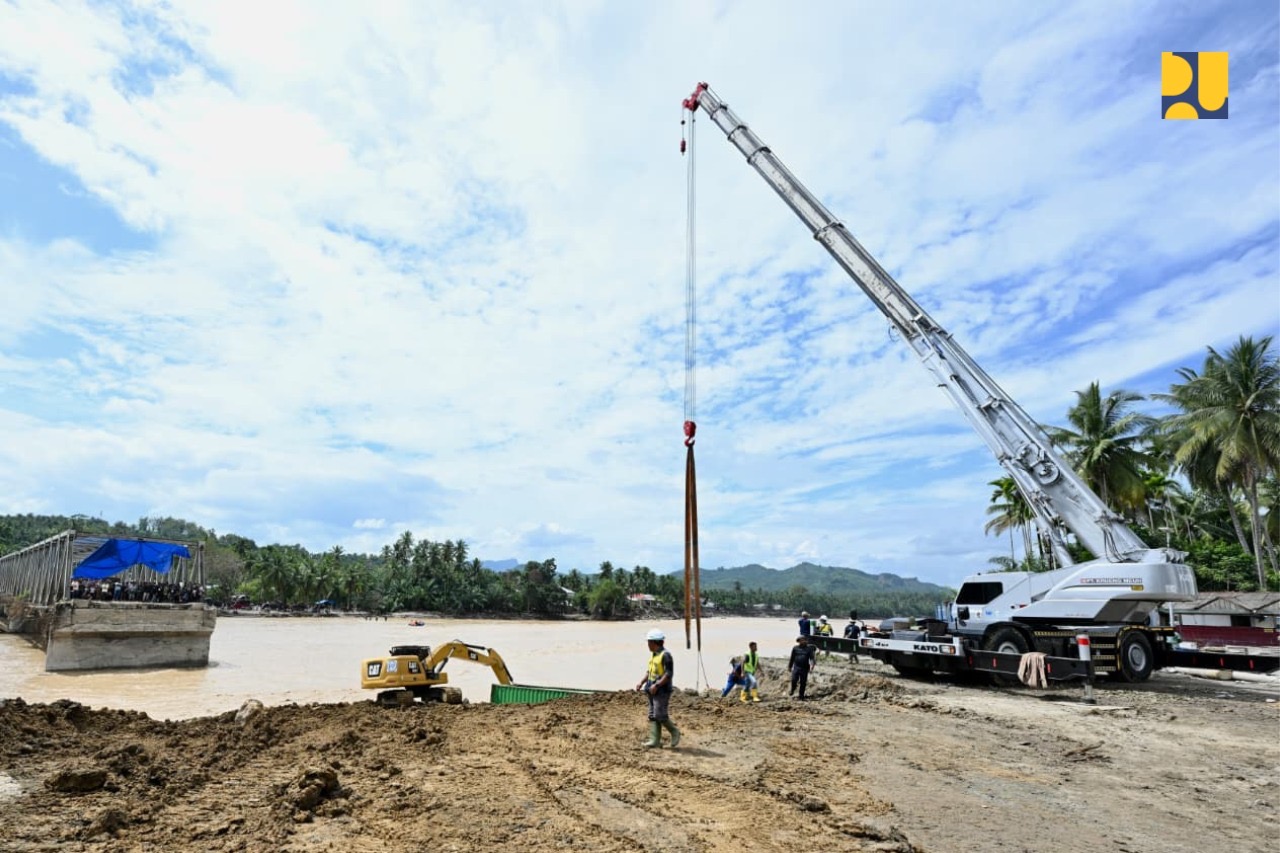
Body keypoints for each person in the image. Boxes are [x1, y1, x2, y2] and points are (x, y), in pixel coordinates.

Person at [635, 628, 681, 748]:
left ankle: (674, 732)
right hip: (651, 688)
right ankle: (654, 740)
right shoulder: (654, 655)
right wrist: (641, 682)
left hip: (662, 690)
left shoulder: (666, 656)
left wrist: (657, 685)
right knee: (652, 714)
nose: (648, 645)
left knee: (660, 714)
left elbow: (668, 674)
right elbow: (649, 671)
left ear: (654, 642)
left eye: (649, 642)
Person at [788, 635, 815, 700]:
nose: (802, 641)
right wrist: (790, 666)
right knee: (794, 680)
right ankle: (792, 689)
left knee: (803, 682)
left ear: (806, 641)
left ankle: (801, 695)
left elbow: (812, 658)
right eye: (801, 640)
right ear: (799, 641)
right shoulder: (795, 648)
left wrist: (812, 665)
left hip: (805, 668)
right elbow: (792, 658)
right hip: (796, 667)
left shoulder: (809, 649)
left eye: (804, 640)